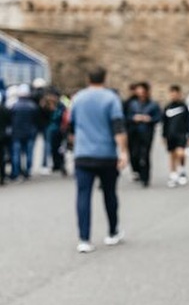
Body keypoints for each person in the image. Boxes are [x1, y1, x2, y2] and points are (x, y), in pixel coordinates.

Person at [69, 66, 128, 253]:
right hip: (106, 154)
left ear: (88, 78)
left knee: (83, 195)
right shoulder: (111, 98)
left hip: (83, 153)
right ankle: (112, 231)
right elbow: (118, 127)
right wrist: (123, 151)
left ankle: (84, 238)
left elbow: (70, 126)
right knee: (109, 193)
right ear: (105, 78)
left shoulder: (78, 98)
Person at [126, 82, 161, 187]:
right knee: (134, 154)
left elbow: (158, 117)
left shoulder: (153, 104)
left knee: (145, 155)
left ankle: (145, 178)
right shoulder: (132, 104)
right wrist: (134, 118)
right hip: (133, 132)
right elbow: (126, 116)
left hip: (146, 132)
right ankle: (137, 171)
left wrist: (149, 119)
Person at [162, 85, 189, 188]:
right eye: (172, 93)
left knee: (180, 153)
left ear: (179, 94)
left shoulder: (183, 107)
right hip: (170, 135)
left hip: (181, 134)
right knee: (172, 155)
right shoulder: (167, 107)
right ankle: (173, 174)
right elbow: (164, 123)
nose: (173, 95)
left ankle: (182, 170)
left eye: (175, 93)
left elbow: (188, 121)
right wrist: (164, 136)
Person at [9, 84, 40, 181]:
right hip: (29, 132)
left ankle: (16, 172)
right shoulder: (32, 106)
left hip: (16, 133)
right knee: (29, 153)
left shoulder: (14, 106)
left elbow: (10, 120)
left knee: (16, 154)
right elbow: (36, 120)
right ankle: (27, 170)